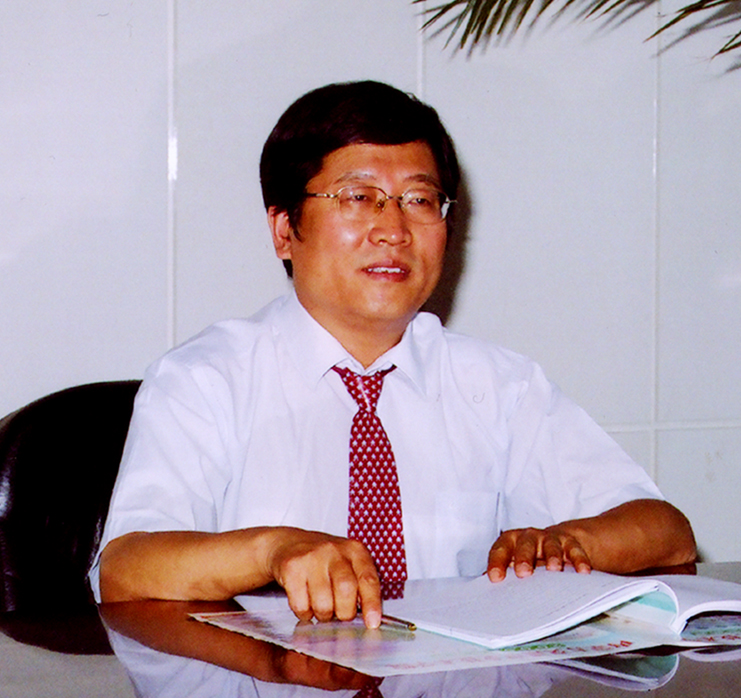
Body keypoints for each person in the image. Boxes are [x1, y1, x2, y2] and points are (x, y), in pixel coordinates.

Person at [92, 80, 696, 631]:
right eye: (359, 197)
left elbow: (667, 533)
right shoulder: (205, 380)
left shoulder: (497, 384)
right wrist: (272, 550)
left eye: (420, 200)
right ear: (283, 229)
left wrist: (569, 543)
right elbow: (125, 568)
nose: (394, 229)